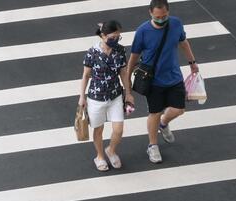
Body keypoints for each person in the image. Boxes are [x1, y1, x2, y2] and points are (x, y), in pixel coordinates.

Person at [126, 0, 199, 163]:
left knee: (179, 109)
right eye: (158, 17)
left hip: (174, 77)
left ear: (169, 12)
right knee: (154, 113)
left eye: (164, 16)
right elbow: (133, 58)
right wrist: (128, 82)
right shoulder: (143, 31)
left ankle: (164, 123)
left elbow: (183, 42)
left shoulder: (176, 24)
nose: (161, 19)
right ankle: (152, 146)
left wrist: (192, 62)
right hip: (153, 81)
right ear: (150, 13)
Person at [79, 20, 134, 171]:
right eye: (112, 37)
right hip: (96, 98)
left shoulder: (120, 51)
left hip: (115, 95)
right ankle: (100, 156)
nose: (115, 40)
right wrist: (82, 97)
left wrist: (128, 93)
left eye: (118, 37)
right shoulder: (92, 52)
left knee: (118, 129)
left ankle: (111, 150)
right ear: (103, 36)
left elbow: (123, 72)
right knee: (98, 129)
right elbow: (85, 75)